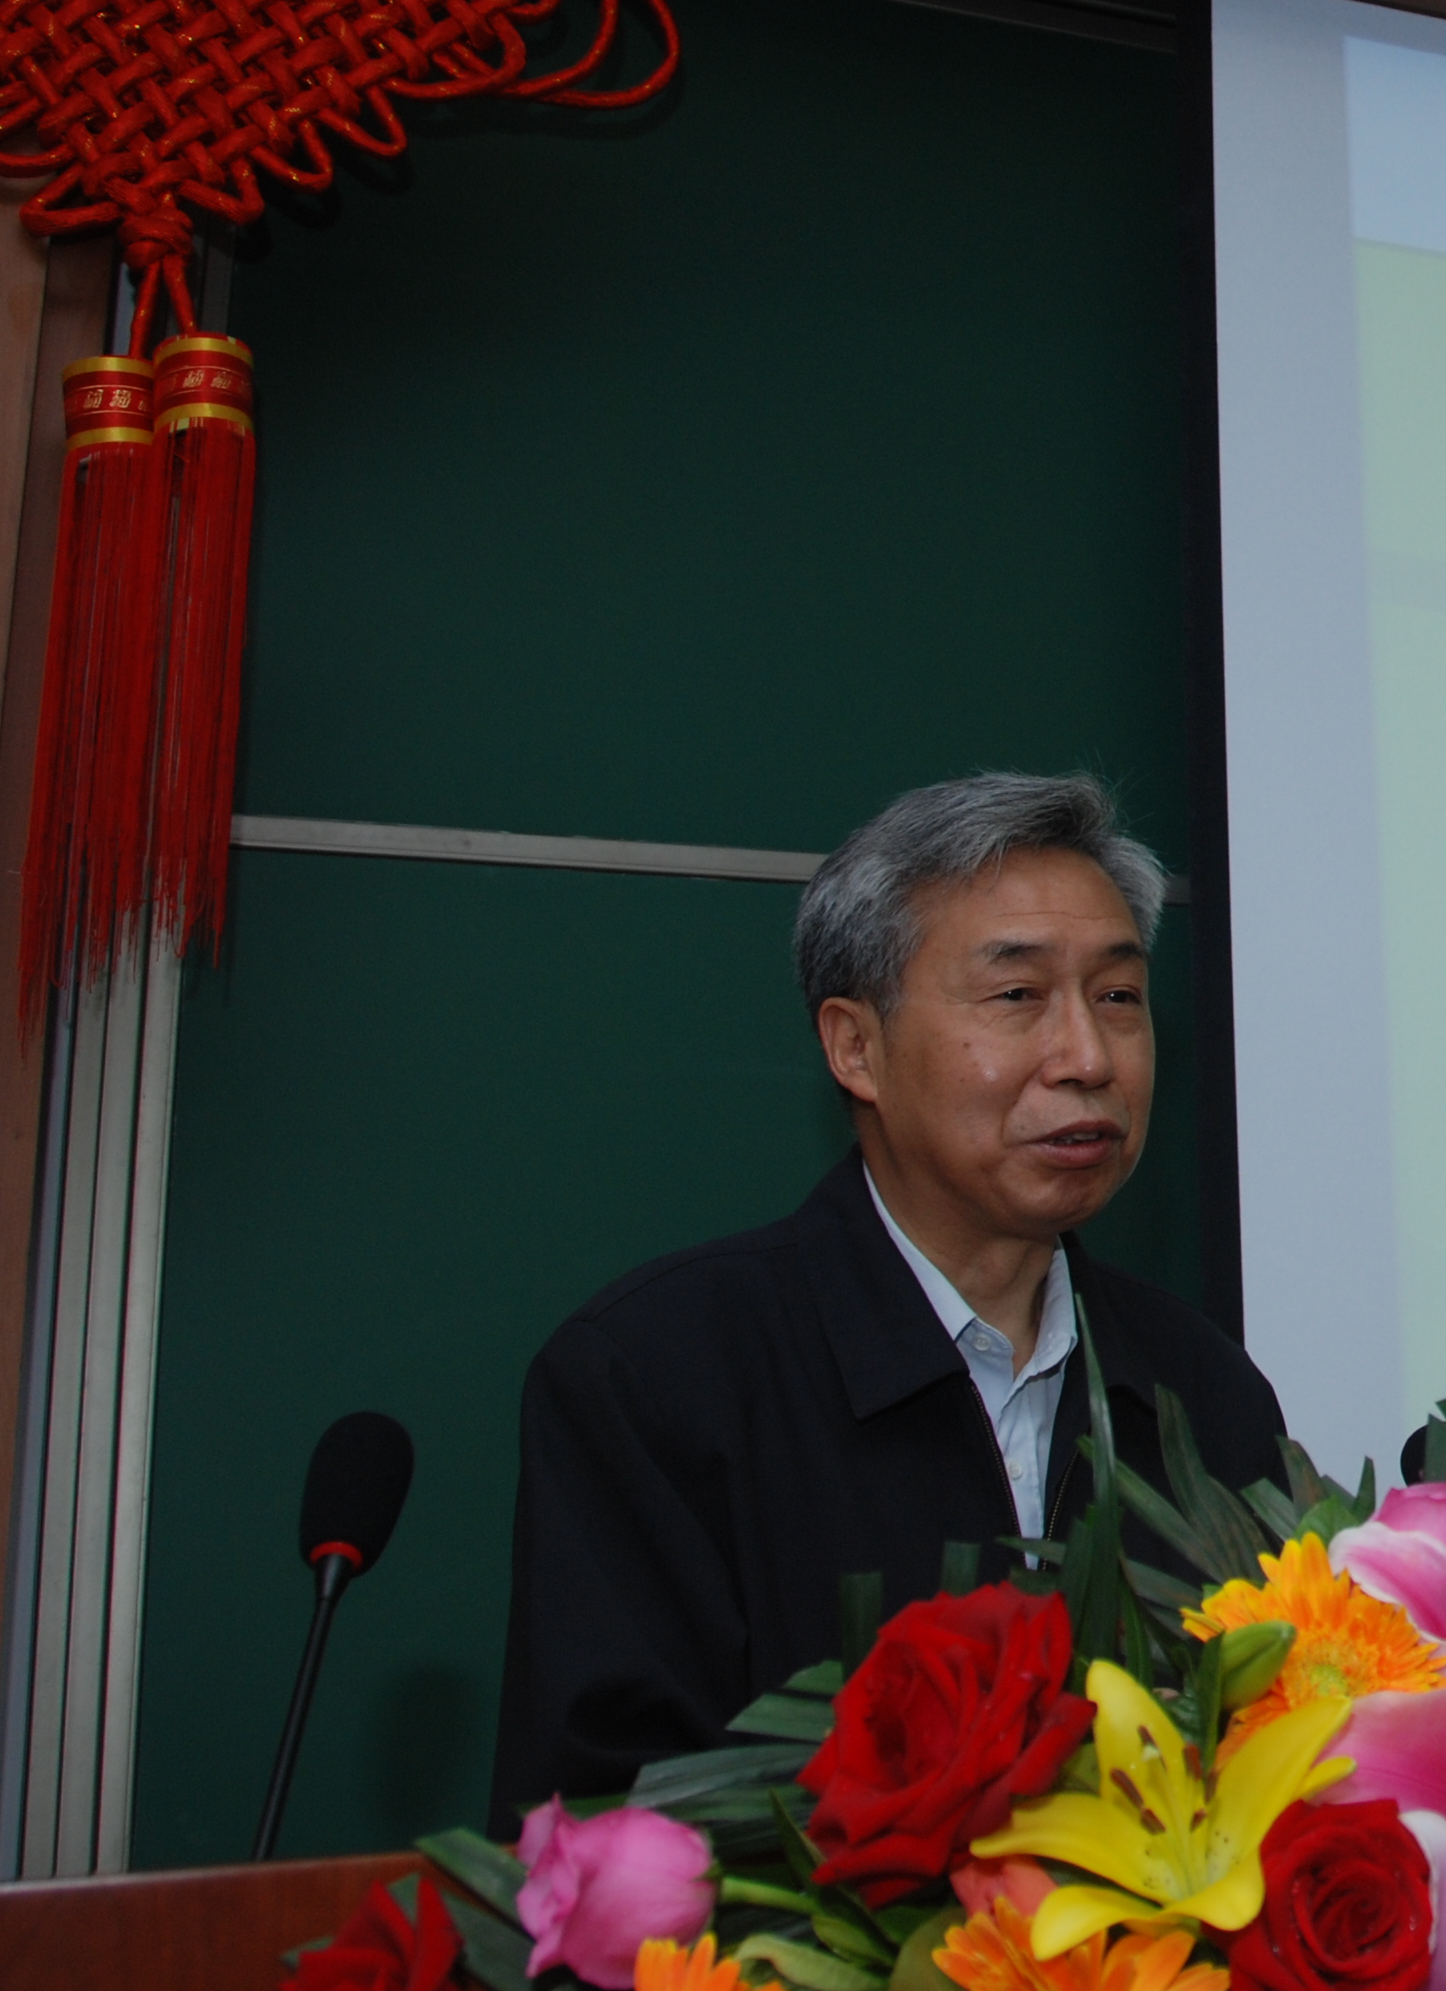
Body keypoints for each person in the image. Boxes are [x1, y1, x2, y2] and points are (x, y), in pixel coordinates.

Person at [490, 773, 1287, 1821]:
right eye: (1017, 996)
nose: (1088, 1058)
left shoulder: (1202, 1392)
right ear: (855, 1046)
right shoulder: (656, 1377)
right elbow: (604, 1833)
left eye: (1118, 997)